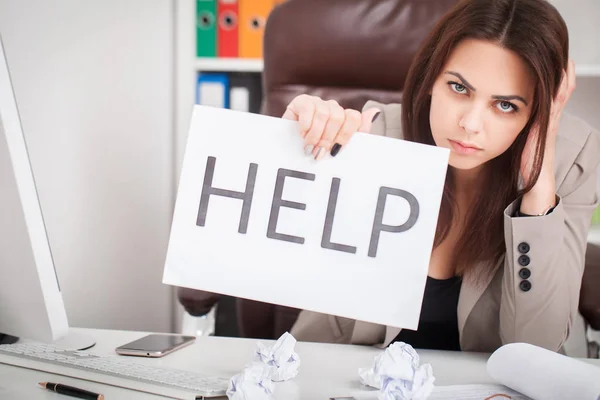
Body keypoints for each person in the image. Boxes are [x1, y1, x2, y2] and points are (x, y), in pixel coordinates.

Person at [283, 0, 600, 353]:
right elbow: (281, 253)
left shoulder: (570, 161)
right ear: (432, 76)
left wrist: (538, 180)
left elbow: (537, 346)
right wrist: (288, 144)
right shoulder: (377, 137)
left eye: (506, 105)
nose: (470, 124)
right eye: (459, 88)